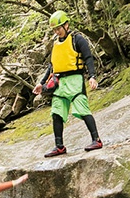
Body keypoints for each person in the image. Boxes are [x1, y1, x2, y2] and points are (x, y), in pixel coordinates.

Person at [32, 10, 102, 158]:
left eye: (59, 28)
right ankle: (59, 146)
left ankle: (96, 140)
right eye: (54, 29)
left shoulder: (77, 39)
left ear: (66, 25)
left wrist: (92, 76)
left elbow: (88, 58)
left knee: (83, 110)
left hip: (75, 80)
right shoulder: (56, 44)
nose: (57, 32)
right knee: (56, 113)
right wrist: (42, 83)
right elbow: (52, 66)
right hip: (60, 83)